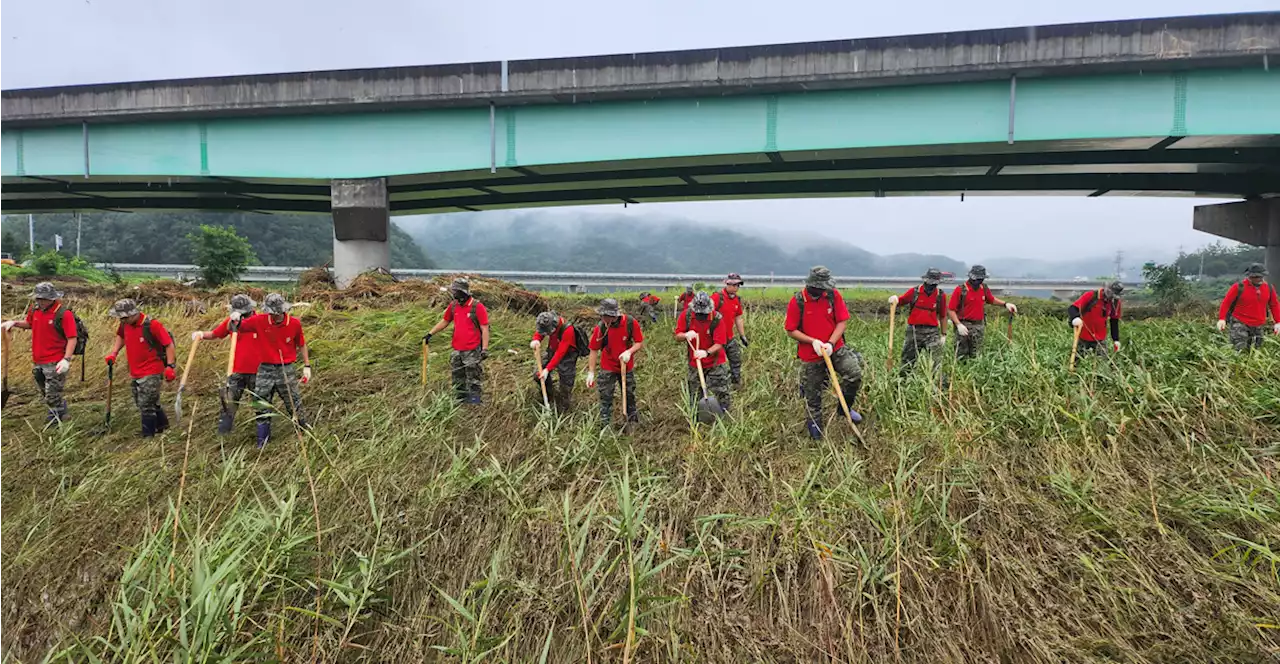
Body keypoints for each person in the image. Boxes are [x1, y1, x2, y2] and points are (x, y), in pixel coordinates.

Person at [784, 266, 863, 440]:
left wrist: (830, 343)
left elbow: (842, 322)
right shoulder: (798, 301)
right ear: (811, 285)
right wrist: (813, 341)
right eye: (819, 288)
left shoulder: (833, 296)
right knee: (813, 392)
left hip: (835, 347)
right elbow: (790, 330)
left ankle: (845, 408)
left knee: (854, 374)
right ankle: (815, 423)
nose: (821, 291)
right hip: (810, 354)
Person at [232, 293, 310, 446]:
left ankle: (304, 433)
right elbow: (240, 327)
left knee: (293, 401)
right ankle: (262, 440)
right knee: (259, 401)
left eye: (277, 313)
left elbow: (301, 344)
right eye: (272, 313)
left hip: (285, 368)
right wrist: (236, 317)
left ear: (283, 310)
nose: (274, 316)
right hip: (265, 368)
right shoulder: (259, 321)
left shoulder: (294, 324)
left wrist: (307, 366)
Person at [0, 282, 77, 424]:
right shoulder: (35, 310)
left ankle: (55, 420)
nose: (40, 302)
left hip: (55, 360)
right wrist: (14, 323)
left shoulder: (63, 314)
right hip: (38, 359)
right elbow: (30, 324)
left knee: (52, 393)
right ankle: (62, 410)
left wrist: (66, 359)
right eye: (38, 299)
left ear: (52, 298)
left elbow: (72, 338)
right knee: (45, 390)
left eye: (43, 299)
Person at [104, 298, 176, 437]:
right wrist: (114, 353)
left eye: (124, 318)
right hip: (135, 370)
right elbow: (121, 336)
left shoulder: (152, 325)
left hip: (152, 370)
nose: (121, 320)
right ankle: (162, 425)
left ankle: (148, 435)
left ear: (133, 314)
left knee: (145, 404)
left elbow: (168, 344)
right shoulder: (125, 324)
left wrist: (170, 366)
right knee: (145, 400)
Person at [191, 294, 261, 434]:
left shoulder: (260, 321)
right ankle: (223, 435)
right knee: (229, 403)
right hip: (236, 371)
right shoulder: (231, 322)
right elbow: (216, 334)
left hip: (258, 371)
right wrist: (202, 334)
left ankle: (262, 433)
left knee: (259, 403)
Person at [423, 278, 490, 405]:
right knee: (457, 377)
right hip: (457, 349)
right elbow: (445, 321)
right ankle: (460, 400)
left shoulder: (477, 307)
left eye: (455, 291)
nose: (453, 293)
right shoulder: (453, 306)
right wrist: (430, 334)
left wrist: (485, 349)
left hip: (472, 349)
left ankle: (475, 402)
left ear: (462, 291)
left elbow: (484, 328)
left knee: (473, 378)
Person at [586, 298, 644, 425]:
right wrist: (591, 372)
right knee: (605, 396)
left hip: (626, 365)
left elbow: (639, 342)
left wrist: (629, 352)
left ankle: (633, 422)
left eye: (605, 316)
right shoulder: (600, 328)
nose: (603, 319)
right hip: (608, 366)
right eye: (602, 316)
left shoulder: (629, 323)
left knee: (629, 394)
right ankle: (605, 424)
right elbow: (594, 350)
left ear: (613, 315)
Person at [675, 291, 731, 412]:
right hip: (694, 363)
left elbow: (719, 344)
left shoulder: (716, 319)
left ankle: (723, 416)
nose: (701, 316)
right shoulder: (687, 316)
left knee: (721, 393)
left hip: (715, 363)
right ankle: (697, 417)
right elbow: (677, 336)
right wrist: (685, 335)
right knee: (694, 395)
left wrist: (706, 353)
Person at [947, 265, 1017, 360]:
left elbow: (991, 299)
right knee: (961, 356)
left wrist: (1005, 304)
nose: (978, 281)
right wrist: (958, 325)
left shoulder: (983, 288)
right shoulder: (961, 290)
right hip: (964, 325)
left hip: (978, 326)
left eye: (981, 279)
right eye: (976, 279)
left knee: (977, 355)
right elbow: (951, 309)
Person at [890, 268, 948, 373]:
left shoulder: (940, 295)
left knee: (936, 360)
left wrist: (944, 334)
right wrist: (895, 299)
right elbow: (901, 301)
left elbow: (943, 315)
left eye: (934, 284)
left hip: (932, 332)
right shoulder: (915, 292)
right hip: (914, 331)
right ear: (925, 280)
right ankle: (903, 383)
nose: (931, 286)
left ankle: (939, 385)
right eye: (930, 283)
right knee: (908, 360)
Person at [1216, 263, 1280, 352]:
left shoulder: (1268, 287)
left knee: (1256, 351)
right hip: (1240, 323)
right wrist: (1222, 318)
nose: (1258, 279)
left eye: (1260, 276)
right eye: (1255, 277)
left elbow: (1274, 304)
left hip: (1259, 324)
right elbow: (1226, 303)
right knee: (1239, 350)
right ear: (1249, 276)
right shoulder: (1238, 287)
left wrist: (1278, 322)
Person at [531, 310, 579, 411]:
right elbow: (540, 332)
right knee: (538, 375)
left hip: (567, 356)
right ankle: (549, 395)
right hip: (552, 350)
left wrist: (547, 369)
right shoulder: (546, 321)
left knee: (565, 385)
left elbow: (560, 353)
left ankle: (563, 408)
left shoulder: (568, 330)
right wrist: (536, 339)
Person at [1068, 281, 1124, 356]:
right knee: (1078, 361)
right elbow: (1072, 308)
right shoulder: (1091, 296)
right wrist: (1075, 318)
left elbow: (1114, 321)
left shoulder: (1115, 302)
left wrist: (1116, 339)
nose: (1112, 297)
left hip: (1100, 338)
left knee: (1102, 363)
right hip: (1083, 336)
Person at [711, 273, 749, 385]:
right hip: (717, 338)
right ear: (727, 284)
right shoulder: (717, 298)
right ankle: (718, 385)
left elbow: (738, 318)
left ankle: (736, 383)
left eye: (738, 285)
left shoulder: (736, 299)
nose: (736, 288)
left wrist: (742, 336)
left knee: (736, 360)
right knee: (718, 364)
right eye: (734, 285)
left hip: (729, 337)